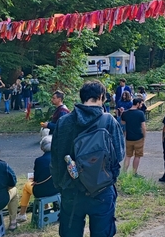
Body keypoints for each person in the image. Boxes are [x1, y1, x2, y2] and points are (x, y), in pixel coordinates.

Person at [51, 80, 125, 237]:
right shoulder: (109, 121)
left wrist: (61, 185)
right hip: (102, 188)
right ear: (101, 97)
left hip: (71, 188)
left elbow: (56, 159)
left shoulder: (64, 122)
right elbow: (119, 155)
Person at [16, 135, 59, 222]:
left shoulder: (39, 160)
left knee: (26, 187)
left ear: (42, 148)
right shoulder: (58, 158)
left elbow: (36, 179)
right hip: (57, 189)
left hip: (41, 191)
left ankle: (22, 214)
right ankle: (47, 206)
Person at [121, 97, 146, 175]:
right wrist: (144, 136)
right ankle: (134, 173)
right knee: (137, 156)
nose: (141, 105)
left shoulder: (125, 113)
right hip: (138, 137)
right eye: (141, 104)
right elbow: (143, 126)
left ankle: (124, 173)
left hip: (129, 137)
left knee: (128, 156)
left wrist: (121, 113)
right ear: (138, 104)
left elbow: (122, 123)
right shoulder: (140, 113)